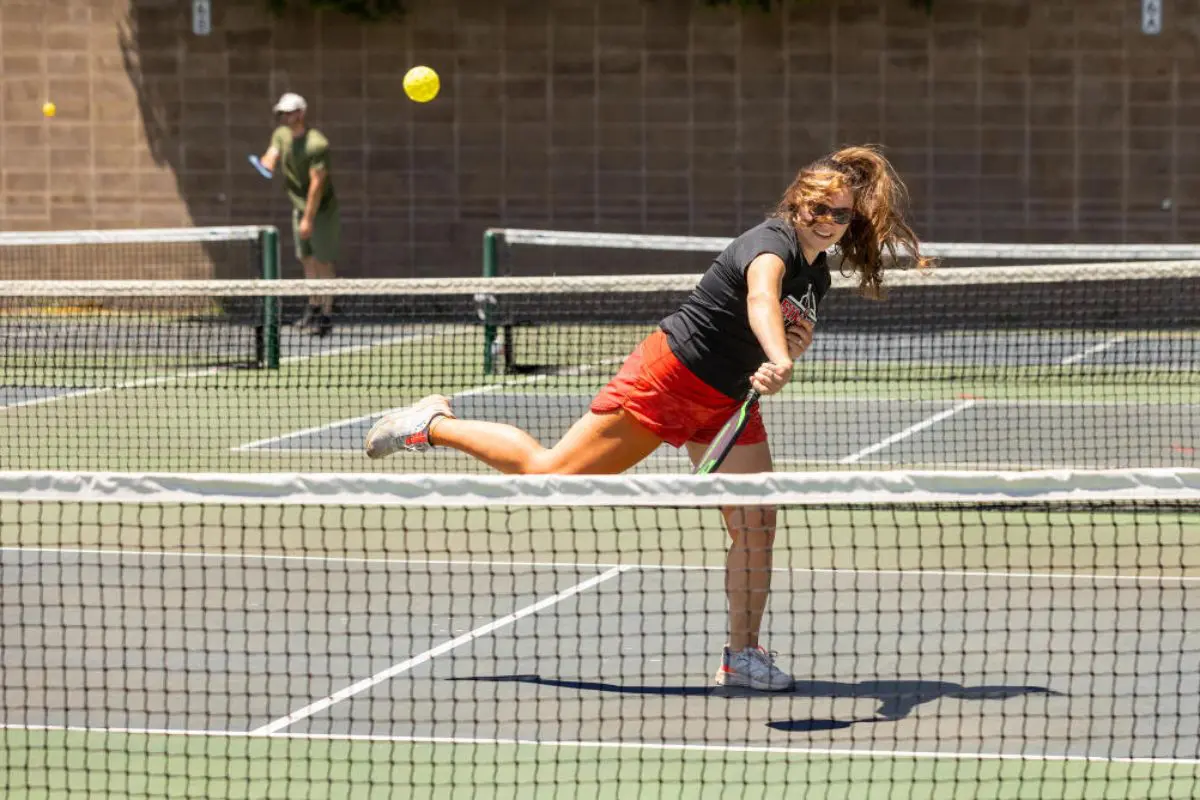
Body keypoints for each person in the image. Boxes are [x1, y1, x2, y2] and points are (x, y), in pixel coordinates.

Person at [365, 145, 932, 691]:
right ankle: (431, 424)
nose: (828, 221)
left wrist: (788, 351)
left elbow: (772, 329)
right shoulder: (770, 246)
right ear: (796, 204)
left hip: (728, 401)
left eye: (841, 214)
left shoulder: (818, 275)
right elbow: (760, 300)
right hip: (669, 378)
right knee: (547, 478)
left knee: (757, 525)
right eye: (819, 209)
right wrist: (782, 357)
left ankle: (742, 656)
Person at [255, 92, 340, 336]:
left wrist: (308, 219)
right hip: (299, 208)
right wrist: (266, 163)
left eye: (291, 112)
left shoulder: (317, 144)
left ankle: (326, 314)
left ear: (302, 113)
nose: (286, 116)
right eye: (283, 112)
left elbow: (316, 185)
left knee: (323, 262)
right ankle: (313, 308)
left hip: (322, 210)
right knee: (307, 260)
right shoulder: (281, 134)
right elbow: (272, 154)